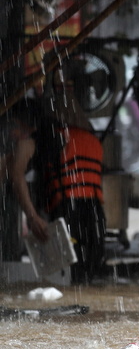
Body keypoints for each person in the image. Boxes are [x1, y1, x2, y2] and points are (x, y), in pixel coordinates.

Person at [6, 97, 107, 284]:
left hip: (69, 212)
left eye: (13, 125)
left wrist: (32, 216)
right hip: (95, 215)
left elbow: (16, 176)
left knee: (65, 279)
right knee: (90, 274)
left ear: (23, 124)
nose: (12, 133)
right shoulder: (76, 135)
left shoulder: (30, 141)